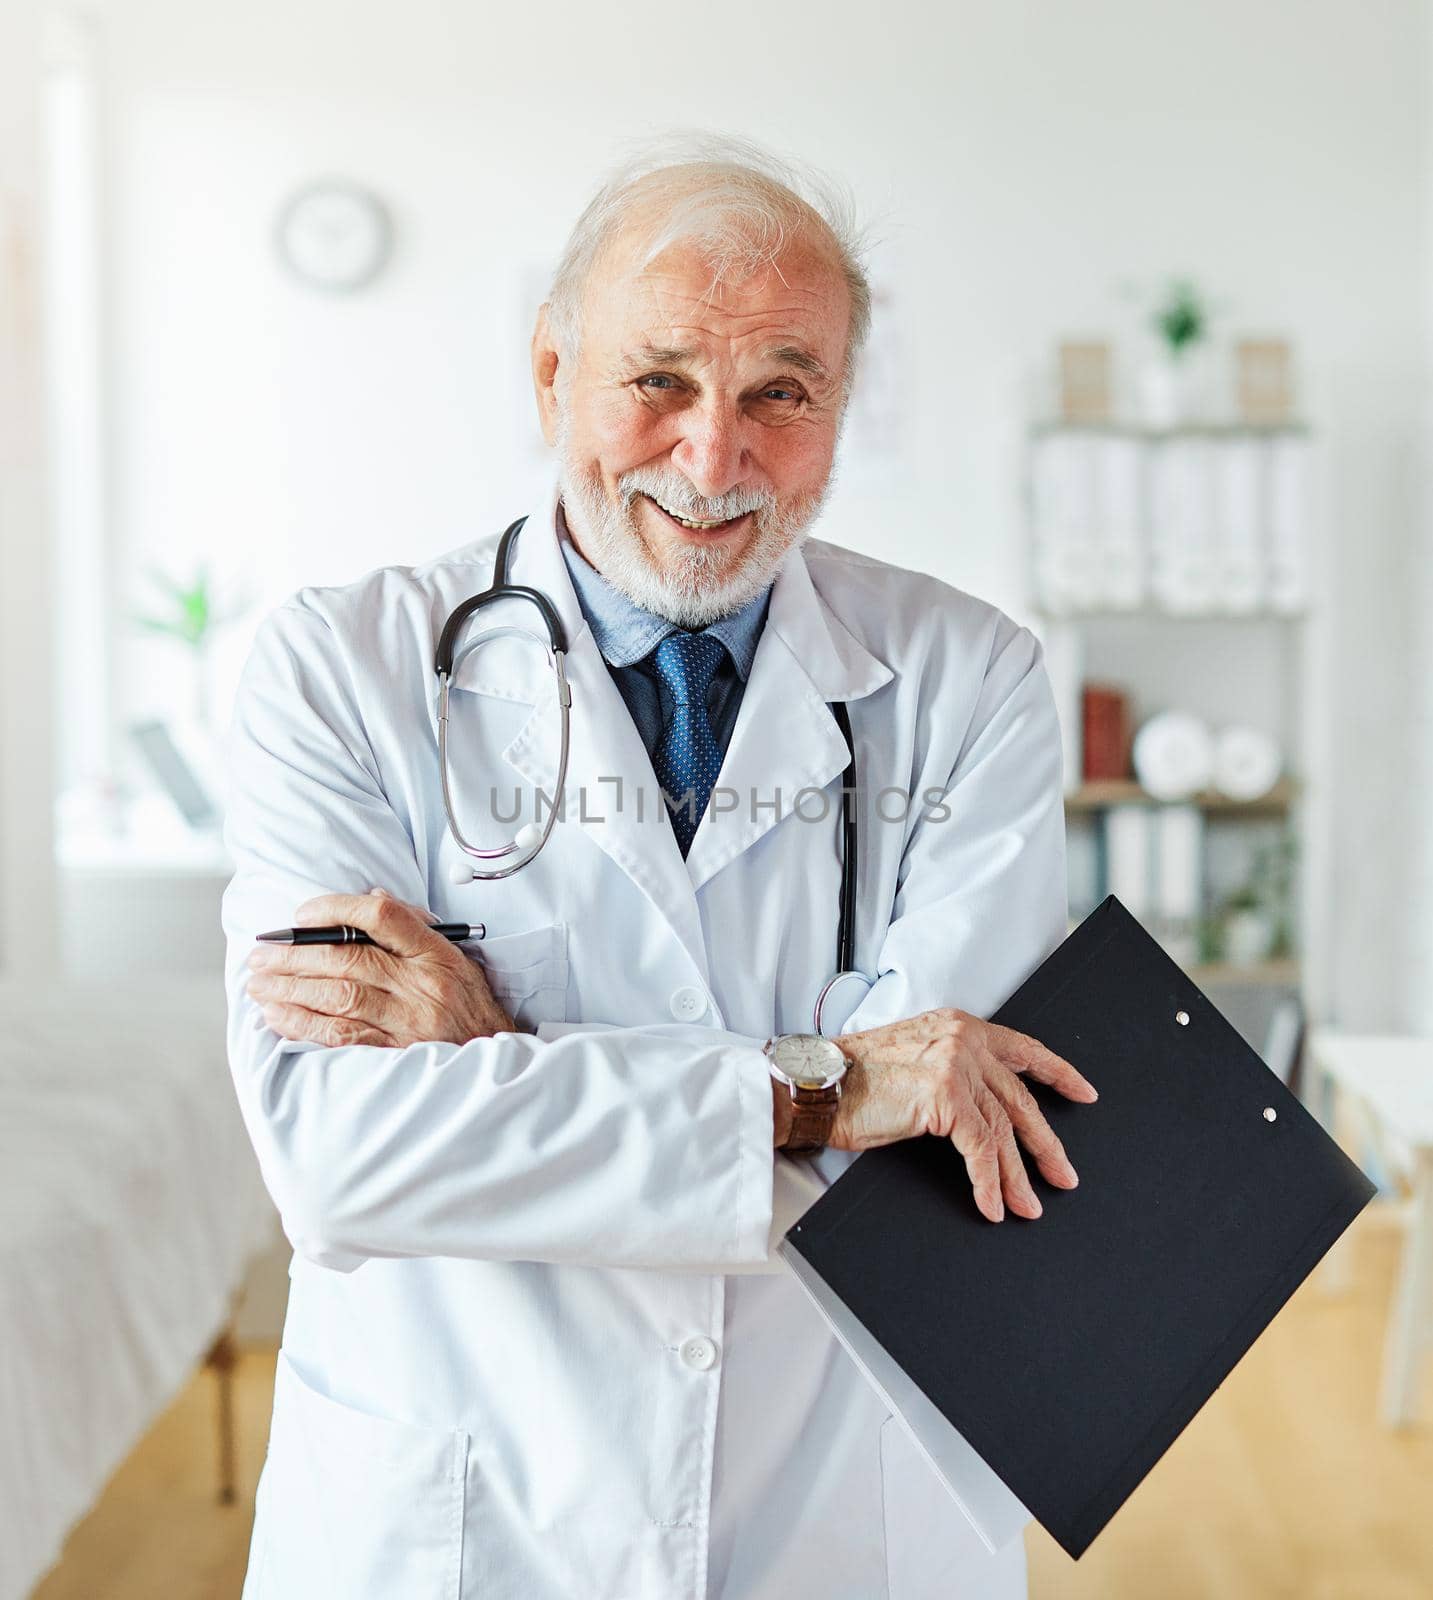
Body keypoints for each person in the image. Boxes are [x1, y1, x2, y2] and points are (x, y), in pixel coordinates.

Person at [224, 133, 1098, 1600]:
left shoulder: (970, 679)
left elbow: (933, 1164)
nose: (713, 455)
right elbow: (342, 1158)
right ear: (553, 372)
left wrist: (500, 1067)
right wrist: (826, 1088)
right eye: (658, 380)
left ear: (837, 407)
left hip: (836, 1507)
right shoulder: (342, 669)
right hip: (468, 1507)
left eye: (781, 392)